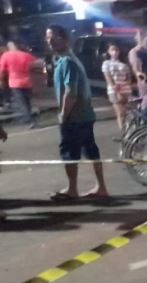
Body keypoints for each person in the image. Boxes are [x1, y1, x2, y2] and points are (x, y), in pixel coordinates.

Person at [46, 25, 108, 201]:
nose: (50, 41)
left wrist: (63, 115)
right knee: (90, 150)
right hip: (85, 115)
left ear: (64, 39)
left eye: (53, 37)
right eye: (48, 38)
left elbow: (70, 92)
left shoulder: (68, 62)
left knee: (69, 153)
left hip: (75, 117)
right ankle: (101, 187)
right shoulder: (67, 60)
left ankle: (72, 189)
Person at [0, 41, 40, 128]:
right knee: (27, 102)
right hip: (27, 82)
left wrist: (1, 81)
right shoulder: (25, 55)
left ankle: (30, 121)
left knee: (21, 103)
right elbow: (37, 63)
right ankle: (30, 118)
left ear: (8, 47)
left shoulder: (6, 55)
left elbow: (2, 70)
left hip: (15, 83)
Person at [101, 44, 132, 130]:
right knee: (120, 113)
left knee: (126, 113)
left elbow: (128, 77)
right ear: (108, 51)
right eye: (112, 50)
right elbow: (108, 78)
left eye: (116, 50)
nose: (114, 52)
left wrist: (127, 85)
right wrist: (117, 91)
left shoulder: (124, 63)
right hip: (114, 90)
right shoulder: (106, 63)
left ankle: (127, 131)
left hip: (125, 89)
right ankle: (123, 131)